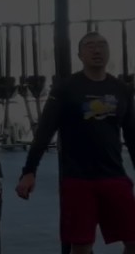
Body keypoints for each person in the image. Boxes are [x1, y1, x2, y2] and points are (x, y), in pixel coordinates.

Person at [15, 32, 135, 254]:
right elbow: (44, 132)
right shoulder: (66, 89)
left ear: (108, 52)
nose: (97, 50)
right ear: (80, 55)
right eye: (90, 46)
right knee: (81, 246)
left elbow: (132, 135)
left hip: (115, 176)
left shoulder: (121, 90)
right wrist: (29, 170)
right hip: (78, 180)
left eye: (102, 45)